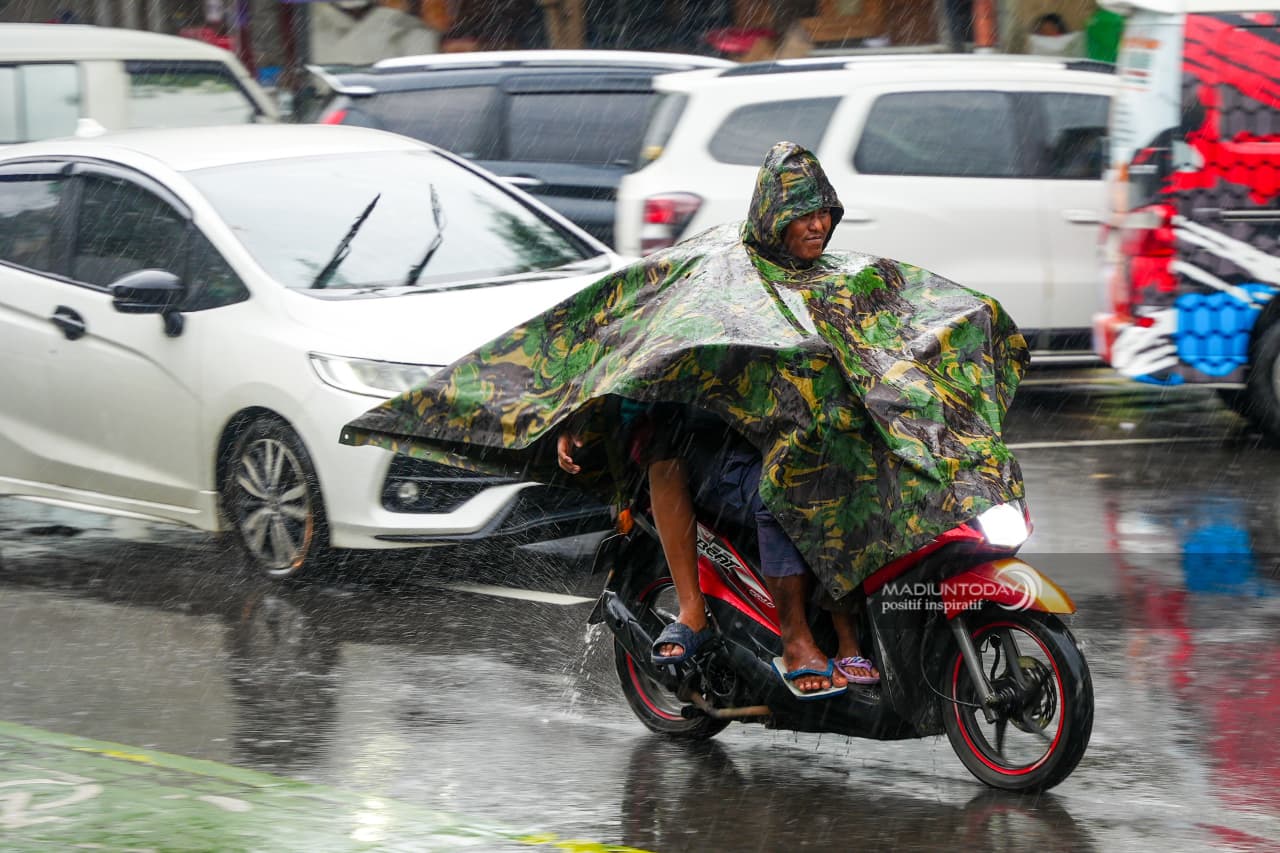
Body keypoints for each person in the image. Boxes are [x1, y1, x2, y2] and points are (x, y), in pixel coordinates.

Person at [555, 146, 880, 699]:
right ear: (774, 217)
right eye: (803, 214)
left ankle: (854, 637)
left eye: (824, 212)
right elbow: (634, 336)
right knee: (788, 490)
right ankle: (792, 639)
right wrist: (583, 413)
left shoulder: (834, 280)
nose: (818, 225)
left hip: (802, 437)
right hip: (720, 445)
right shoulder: (725, 277)